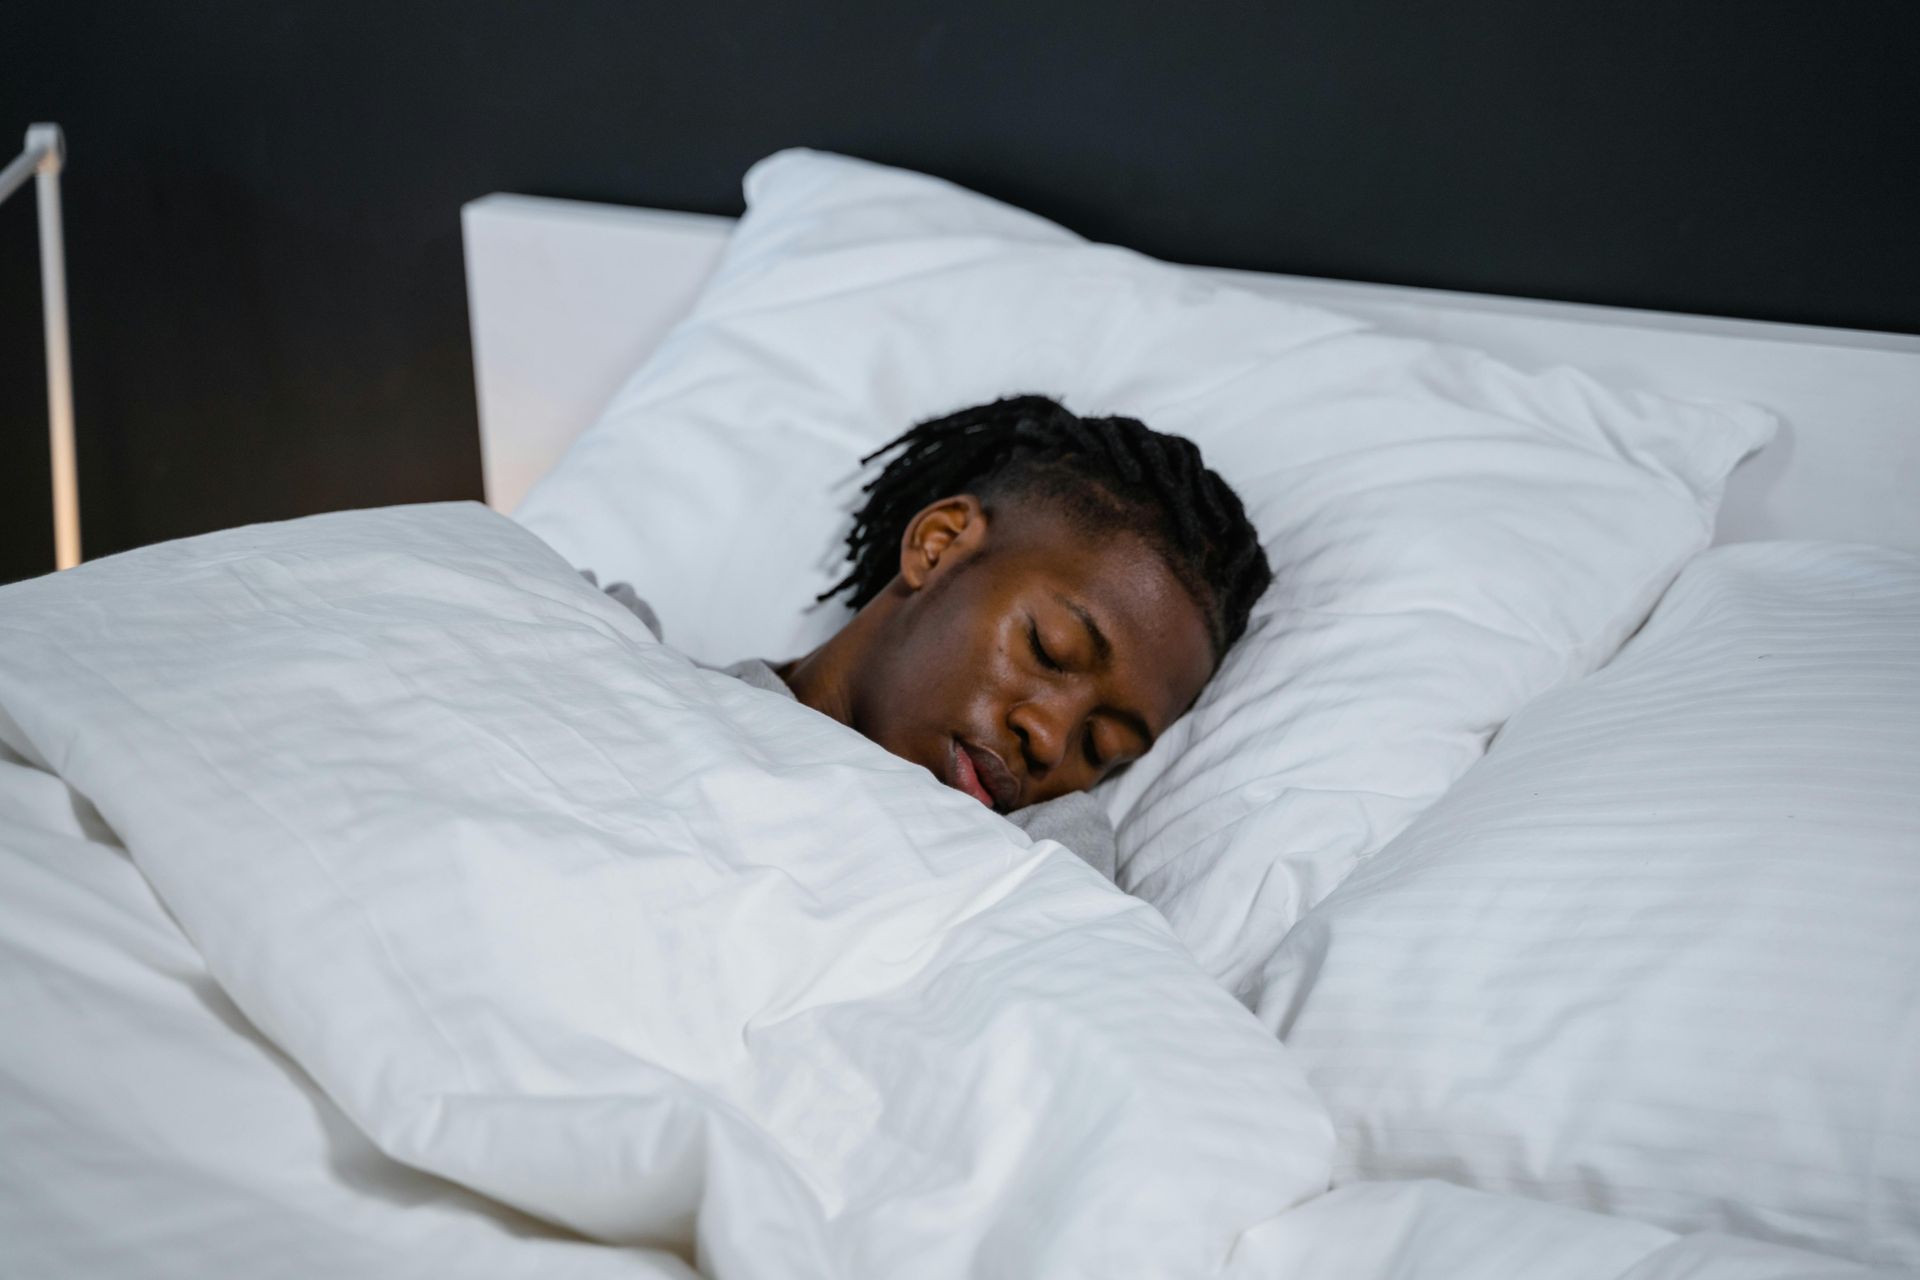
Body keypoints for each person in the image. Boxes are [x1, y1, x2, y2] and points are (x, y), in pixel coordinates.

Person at [604, 394, 1271, 879]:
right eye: (1048, 649)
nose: (1050, 739)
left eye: (1101, 747)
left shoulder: (1031, 860)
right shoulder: (607, 650)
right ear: (939, 544)